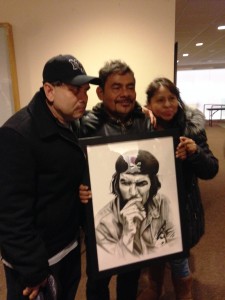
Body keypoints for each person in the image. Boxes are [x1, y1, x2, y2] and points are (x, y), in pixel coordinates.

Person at [0, 54, 100, 300]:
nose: (83, 97)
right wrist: (34, 270)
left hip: (68, 246)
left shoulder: (70, 121)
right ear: (49, 90)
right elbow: (10, 214)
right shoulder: (17, 135)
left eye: (85, 90)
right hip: (37, 262)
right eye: (75, 90)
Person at [137, 77, 219, 300]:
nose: (167, 105)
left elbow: (211, 170)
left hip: (181, 209)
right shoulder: (141, 126)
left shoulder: (191, 128)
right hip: (149, 208)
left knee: (179, 260)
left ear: (178, 99)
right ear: (149, 104)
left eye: (172, 98)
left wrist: (195, 153)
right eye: (160, 100)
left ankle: (185, 292)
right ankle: (155, 287)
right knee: (154, 255)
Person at [79, 60, 151, 300]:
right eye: (117, 87)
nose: (125, 94)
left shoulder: (145, 122)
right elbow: (72, 168)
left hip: (137, 215)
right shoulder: (84, 126)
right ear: (100, 92)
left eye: (130, 87)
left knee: (131, 276)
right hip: (102, 218)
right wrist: (79, 187)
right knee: (98, 281)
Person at [95, 149, 175, 258]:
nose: (133, 193)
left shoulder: (164, 203)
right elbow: (112, 261)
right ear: (117, 184)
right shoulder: (102, 223)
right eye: (125, 183)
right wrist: (127, 235)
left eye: (141, 183)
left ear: (153, 185)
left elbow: (175, 241)